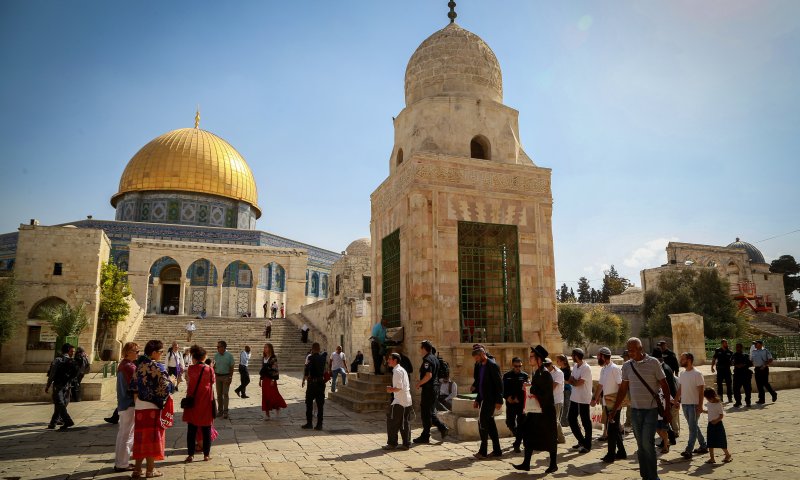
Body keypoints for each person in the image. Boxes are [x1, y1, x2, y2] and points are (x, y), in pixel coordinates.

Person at [610, 337, 672, 480]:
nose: (630, 353)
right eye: (628, 350)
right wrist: (614, 409)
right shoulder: (627, 366)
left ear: (640, 348)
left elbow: (665, 386)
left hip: (651, 410)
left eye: (632, 350)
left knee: (647, 443)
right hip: (635, 411)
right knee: (640, 445)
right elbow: (623, 389)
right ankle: (645, 475)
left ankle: (653, 477)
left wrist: (667, 409)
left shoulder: (653, 363)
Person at [130, 339, 175, 479]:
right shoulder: (158, 367)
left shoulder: (139, 366)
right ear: (154, 352)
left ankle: (137, 469)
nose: (162, 354)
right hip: (152, 407)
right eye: (161, 351)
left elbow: (133, 385)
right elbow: (166, 388)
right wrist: (173, 382)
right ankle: (150, 470)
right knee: (152, 438)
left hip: (139, 406)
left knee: (140, 438)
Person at [513, 345, 558, 474]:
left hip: (546, 412)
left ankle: (553, 464)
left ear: (539, 359)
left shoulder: (545, 374)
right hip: (536, 411)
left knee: (549, 438)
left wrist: (531, 388)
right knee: (528, 435)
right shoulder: (537, 372)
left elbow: (545, 394)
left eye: (532, 356)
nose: (530, 358)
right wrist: (529, 387)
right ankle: (526, 463)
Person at [592, 347, 627, 463]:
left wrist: (618, 404)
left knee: (611, 430)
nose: (597, 358)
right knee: (614, 428)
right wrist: (595, 398)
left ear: (603, 356)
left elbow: (621, 386)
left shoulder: (614, 369)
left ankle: (611, 455)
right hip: (607, 403)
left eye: (598, 356)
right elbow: (600, 386)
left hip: (614, 404)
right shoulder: (604, 369)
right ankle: (621, 452)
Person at [469, 344, 503, 459]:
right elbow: (481, 384)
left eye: (477, 357)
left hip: (490, 400)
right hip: (483, 399)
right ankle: (497, 450)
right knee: (490, 424)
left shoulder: (492, 365)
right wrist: (477, 399)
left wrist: (499, 401)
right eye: (475, 358)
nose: (476, 360)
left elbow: (499, 384)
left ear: (483, 354)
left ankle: (483, 451)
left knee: (482, 423)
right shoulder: (480, 366)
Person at [183, 345, 216, 463]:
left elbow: (188, 381)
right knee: (206, 429)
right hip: (206, 402)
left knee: (191, 430)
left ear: (194, 357)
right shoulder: (209, 369)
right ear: (204, 357)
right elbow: (212, 381)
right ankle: (206, 455)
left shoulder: (190, 369)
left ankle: (190, 455)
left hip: (193, 402)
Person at [414, 340, 449, 444]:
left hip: (429, 390)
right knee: (429, 412)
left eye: (421, 348)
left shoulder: (427, 359)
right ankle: (440, 429)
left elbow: (428, 375)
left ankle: (428, 434)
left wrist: (419, 383)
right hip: (435, 388)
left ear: (424, 348)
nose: (420, 350)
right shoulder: (434, 358)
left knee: (426, 413)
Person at [675, 352, 708, 459]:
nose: (680, 361)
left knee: (692, 428)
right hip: (685, 404)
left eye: (682, 359)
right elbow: (680, 388)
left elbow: (701, 391)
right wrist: (676, 400)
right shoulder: (682, 373)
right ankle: (703, 445)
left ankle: (688, 450)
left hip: (694, 405)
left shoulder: (697, 374)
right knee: (693, 426)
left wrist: (700, 405)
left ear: (689, 360)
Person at [114, 342, 139, 472]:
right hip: (129, 403)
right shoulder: (129, 367)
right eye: (136, 351)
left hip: (123, 403)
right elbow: (135, 386)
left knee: (122, 434)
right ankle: (122, 464)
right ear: (128, 352)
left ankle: (119, 462)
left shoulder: (123, 365)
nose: (138, 353)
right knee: (127, 435)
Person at [383, 352, 413, 450]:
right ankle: (406, 443)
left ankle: (392, 443)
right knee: (404, 422)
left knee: (392, 421)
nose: (388, 361)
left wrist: (390, 389)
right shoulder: (402, 369)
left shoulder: (397, 371)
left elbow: (399, 387)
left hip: (400, 401)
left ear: (395, 360)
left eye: (390, 359)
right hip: (406, 400)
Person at [45, 343, 77, 430]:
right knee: (59, 403)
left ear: (61, 350)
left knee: (59, 403)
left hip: (58, 385)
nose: (73, 353)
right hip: (67, 386)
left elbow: (52, 374)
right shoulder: (71, 361)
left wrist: (48, 385)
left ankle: (67, 420)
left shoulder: (58, 360)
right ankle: (52, 423)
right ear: (68, 351)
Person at [567, 348, 593, 453]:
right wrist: (574, 381)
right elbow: (571, 380)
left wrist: (574, 382)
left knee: (585, 421)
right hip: (574, 397)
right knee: (571, 418)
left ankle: (587, 444)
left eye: (572, 355)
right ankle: (581, 440)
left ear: (576, 356)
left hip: (584, 398)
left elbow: (578, 383)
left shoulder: (586, 368)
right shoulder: (575, 366)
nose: (571, 357)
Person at [502, 356, 528, 452]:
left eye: (520, 366)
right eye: (516, 366)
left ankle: (517, 444)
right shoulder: (506, 376)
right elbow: (503, 389)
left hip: (521, 404)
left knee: (521, 424)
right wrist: (507, 397)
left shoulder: (524, 376)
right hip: (510, 404)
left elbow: (527, 390)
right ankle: (520, 437)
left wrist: (519, 399)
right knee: (510, 423)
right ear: (512, 365)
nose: (518, 368)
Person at [654, 351, 678, 447]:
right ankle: (669, 440)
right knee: (664, 425)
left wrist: (672, 401)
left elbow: (666, 386)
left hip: (665, 400)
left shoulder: (664, 369)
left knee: (664, 424)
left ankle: (668, 441)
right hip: (665, 399)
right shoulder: (665, 367)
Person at [301, 342, 327, 430]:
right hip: (321, 382)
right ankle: (319, 424)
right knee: (320, 405)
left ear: (312, 349)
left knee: (309, 403)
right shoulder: (323, 358)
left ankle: (309, 423)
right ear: (319, 349)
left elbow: (307, 369)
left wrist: (305, 378)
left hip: (312, 383)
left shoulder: (310, 358)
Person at [702, 388, 732, 464]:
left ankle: (728, 455)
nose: (708, 400)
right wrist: (703, 411)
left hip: (718, 425)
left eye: (709, 398)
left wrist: (716, 420)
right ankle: (712, 458)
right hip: (710, 424)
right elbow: (710, 411)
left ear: (713, 396)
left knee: (721, 441)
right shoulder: (708, 403)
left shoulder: (718, 404)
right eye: (707, 398)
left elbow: (721, 415)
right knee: (710, 441)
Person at [260, 343, 288, 419]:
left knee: (273, 395)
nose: (265, 349)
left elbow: (275, 369)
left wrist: (273, 379)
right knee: (265, 396)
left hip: (271, 379)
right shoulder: (263, 358)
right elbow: (262, 369)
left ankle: (277, 407)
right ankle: (267, 414)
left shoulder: (273, 358)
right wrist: (260, 379)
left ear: (270, 348)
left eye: (266, 347)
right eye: (264, 347)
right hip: (264, 379)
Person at [544, 357, 566, 444]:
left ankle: (560, 438)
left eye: (547, 365)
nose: (546, 367)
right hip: (549, 399)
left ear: (551, 364)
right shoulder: (545, 372)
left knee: (555, 420)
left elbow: (553, 386)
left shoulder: (558, 373)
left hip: (557, 400)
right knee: (552, 420)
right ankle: (556, 437)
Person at [213, 340, 235, 419]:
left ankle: (225, 412)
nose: (217, 348)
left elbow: (232, 367)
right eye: (217, 347)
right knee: (219, 395)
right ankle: (220, 411)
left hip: (226, 376)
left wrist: (230, 377)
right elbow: (214, 366)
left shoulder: (229, 356)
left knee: (225, 394)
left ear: (223, 347)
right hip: (218, 377)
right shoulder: (216, 356)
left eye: (218, 347)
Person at [751, 339, 777, 404]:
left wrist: (764, 365)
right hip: (757, 369)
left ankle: (773, 393)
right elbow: (752, 360)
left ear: (760, 344)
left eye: (756, 343)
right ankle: (761, 399)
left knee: (765, 383)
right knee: (759, 384)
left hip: (764, 369)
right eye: (754, 344)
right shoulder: (754, 351)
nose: (755, 345)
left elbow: (770, 359)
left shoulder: (765, 351)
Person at [711, 339, 734, 403]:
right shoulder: (718, 350)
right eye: (725, 343)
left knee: (729, 384)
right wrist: (712, 367)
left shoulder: (730, 352)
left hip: (727, 370)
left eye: (727, 343)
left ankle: (730, 398)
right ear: (722, 344)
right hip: (720, 370)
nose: (727, 344)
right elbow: (714, 359)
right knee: (719, 384)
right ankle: (720, 397)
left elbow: (732, 361)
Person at [732, 342, 753, 407]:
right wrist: (736, 365)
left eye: (738, 347)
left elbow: (751, 364)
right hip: (737, 374)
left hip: (745, 374)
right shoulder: (734, 355)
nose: (737, 348)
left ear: (741, 348)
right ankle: (738, 402)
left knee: (747, 389)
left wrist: (743, 365)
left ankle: (748, 402)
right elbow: (730, 362)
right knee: (736, 389)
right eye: (736, 347)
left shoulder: (746, 355)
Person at [556, 354, 571, 428]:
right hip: (561, 390)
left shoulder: (568, 370)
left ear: (563, 361)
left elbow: (568, 381)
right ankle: (562, 421)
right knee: (561, 406)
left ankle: (565, 421)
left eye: (558, 361)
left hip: (567, 390)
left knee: (566, 406)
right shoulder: (559, 370)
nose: (557, 362)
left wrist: (560, 380)